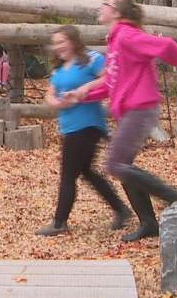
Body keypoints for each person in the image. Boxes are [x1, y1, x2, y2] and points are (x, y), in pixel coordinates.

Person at [67, 0, 177, 241]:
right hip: (130, 110)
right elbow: (112, 84)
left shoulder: (126, 35)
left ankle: (173, 197)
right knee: (122, 165)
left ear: (116, 12)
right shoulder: (116, 41)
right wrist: (80, 96)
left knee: (115, 164)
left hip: (141, 107)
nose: (100, 7)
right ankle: (148, 223)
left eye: (105, 4)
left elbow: (165, 46)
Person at [35, 26, 130, 236]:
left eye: (62, 41)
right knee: (86, 172)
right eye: (56, 43)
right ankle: (121, 210)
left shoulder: (90, 59)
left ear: (73, 41)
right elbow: (49, 94)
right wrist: (58, 103)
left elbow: (109, 78)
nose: (58, 46)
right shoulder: (59, 69)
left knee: (68, 174)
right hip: (69, 126)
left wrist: (83, 90)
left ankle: (59, 221)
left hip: (87, 125)